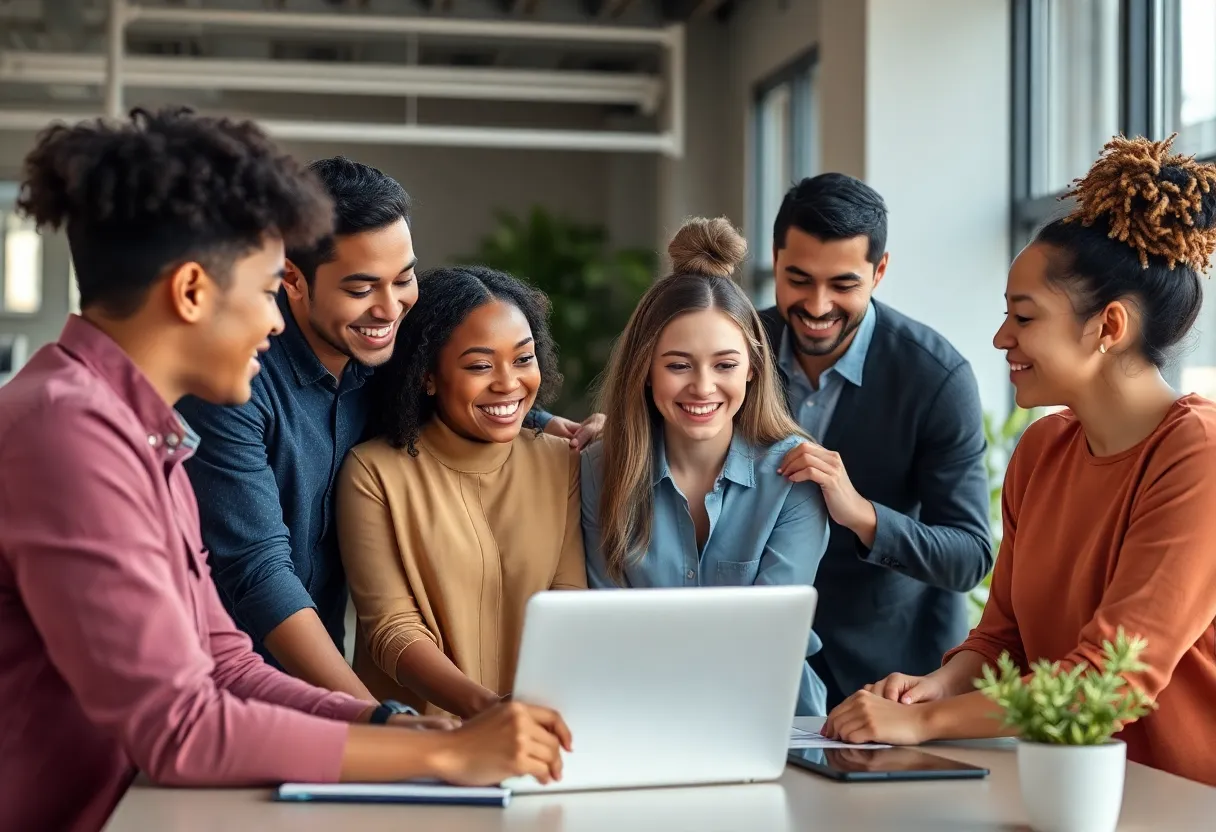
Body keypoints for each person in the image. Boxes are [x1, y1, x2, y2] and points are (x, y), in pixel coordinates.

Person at [0, 108, 572, 832]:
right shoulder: (66, 432)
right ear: (191, 293)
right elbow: (182, 725)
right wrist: (443, 759)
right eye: (271, 286)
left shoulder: (146, 434)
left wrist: (391, 724)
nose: (277, 321)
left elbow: (227, 661)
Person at [823, 135, 1216, 788]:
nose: (1002, 337)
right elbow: (1002, 639)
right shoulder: (1043, 449)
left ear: (1108, 328)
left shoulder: (1196, 455)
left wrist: (921, 727)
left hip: (1182, 800)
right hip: (1063, 793)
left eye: (1023, 316)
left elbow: (1112, 682)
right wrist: (932, 690)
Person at [176, 157, 603, 700]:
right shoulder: (235, 381)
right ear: (293, 280)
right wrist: (373, 719)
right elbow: (259, 573)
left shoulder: (378, 356)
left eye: (403, 279)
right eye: (361, 288)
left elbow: (455, 383)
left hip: (322, 683)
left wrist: (541, 420)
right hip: (219, 686)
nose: (390, 308)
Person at [581, 217, 831, 716]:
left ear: (753, 368)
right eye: (677, 365)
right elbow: (604, 621)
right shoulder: (599, 467)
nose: (702, 386)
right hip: (639, 714)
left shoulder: (796, 475)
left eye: (725, 364)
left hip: (772, 716)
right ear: (645, 371)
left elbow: (768, 635)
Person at [759, 173, 992, 709]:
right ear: (775, 260)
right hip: (759, 663)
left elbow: (969, 556)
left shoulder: (936, 378)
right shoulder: (737, 348)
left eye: (843, 284)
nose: (817, 306)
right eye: (799, 279)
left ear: (879, 271)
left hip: (890, 676)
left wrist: (862, 514)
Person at [336, 265, 587, 718]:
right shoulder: (373, 473)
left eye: (523, 358)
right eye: (479, 366)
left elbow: (568, 603)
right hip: (419, 748)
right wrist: (488, 711)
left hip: (539, 735)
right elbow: (392, 629)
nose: (508, 382)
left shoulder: (562, 461)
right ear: (427, 376)